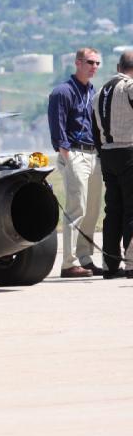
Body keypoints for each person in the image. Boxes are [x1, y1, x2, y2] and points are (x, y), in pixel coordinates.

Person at [48, 47, 104, 278]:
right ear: (78, 63)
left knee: (92, 209)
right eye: (90, 62)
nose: (94, 67)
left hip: (94, 154)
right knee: (76, 207)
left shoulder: (93, 92)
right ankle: (68, 263)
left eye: (97, 63)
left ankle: (85, 258)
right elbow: (57, 124)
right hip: (75, 153)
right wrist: (66, 153)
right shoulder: (62, 92)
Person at [92, 50, 133, 278]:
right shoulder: (129, 87)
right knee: (131, 210)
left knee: (113, 210)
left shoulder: (100, 91)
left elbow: (95, 130)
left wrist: (102, 153)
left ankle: (110, 264)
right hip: (129, 151)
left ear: (119, 67)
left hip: (107, 154)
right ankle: (131, 264)